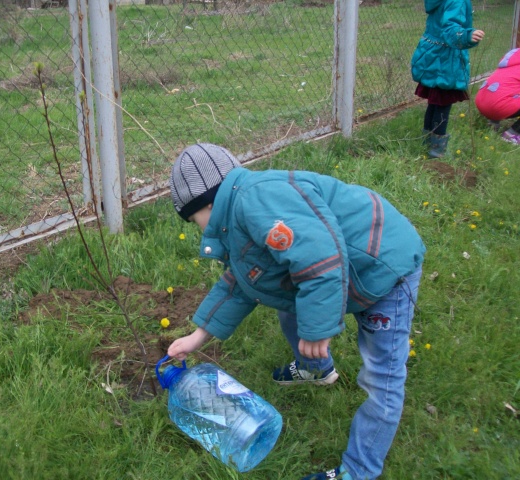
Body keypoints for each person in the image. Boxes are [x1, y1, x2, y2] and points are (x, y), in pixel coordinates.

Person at [166, 143, 426, 480]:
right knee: (284, 297)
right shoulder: (239, 214)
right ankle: (316, 369)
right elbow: (244, 282)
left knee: (383, 376)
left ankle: (360, 470)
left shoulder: (258, 202)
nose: (199, 229)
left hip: (385, 267)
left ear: (207, 205)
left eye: (193, 219)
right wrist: (197, 336)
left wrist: (317, 329)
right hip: (344, 271)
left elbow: (320, 261)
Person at [410, 0, 485, 158]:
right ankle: (436, 152)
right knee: (442, 105)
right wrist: (466, 35)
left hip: (432, 55)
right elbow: (451, 28)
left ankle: (426, 143)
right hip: (446, 61)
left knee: (434, 102)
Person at [474, 48, 520, 145]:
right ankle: (512, 134)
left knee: (504, 90)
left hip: (481, 101)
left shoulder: (513, 58)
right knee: (505, 93)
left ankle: (492, 123)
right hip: (498, 107)